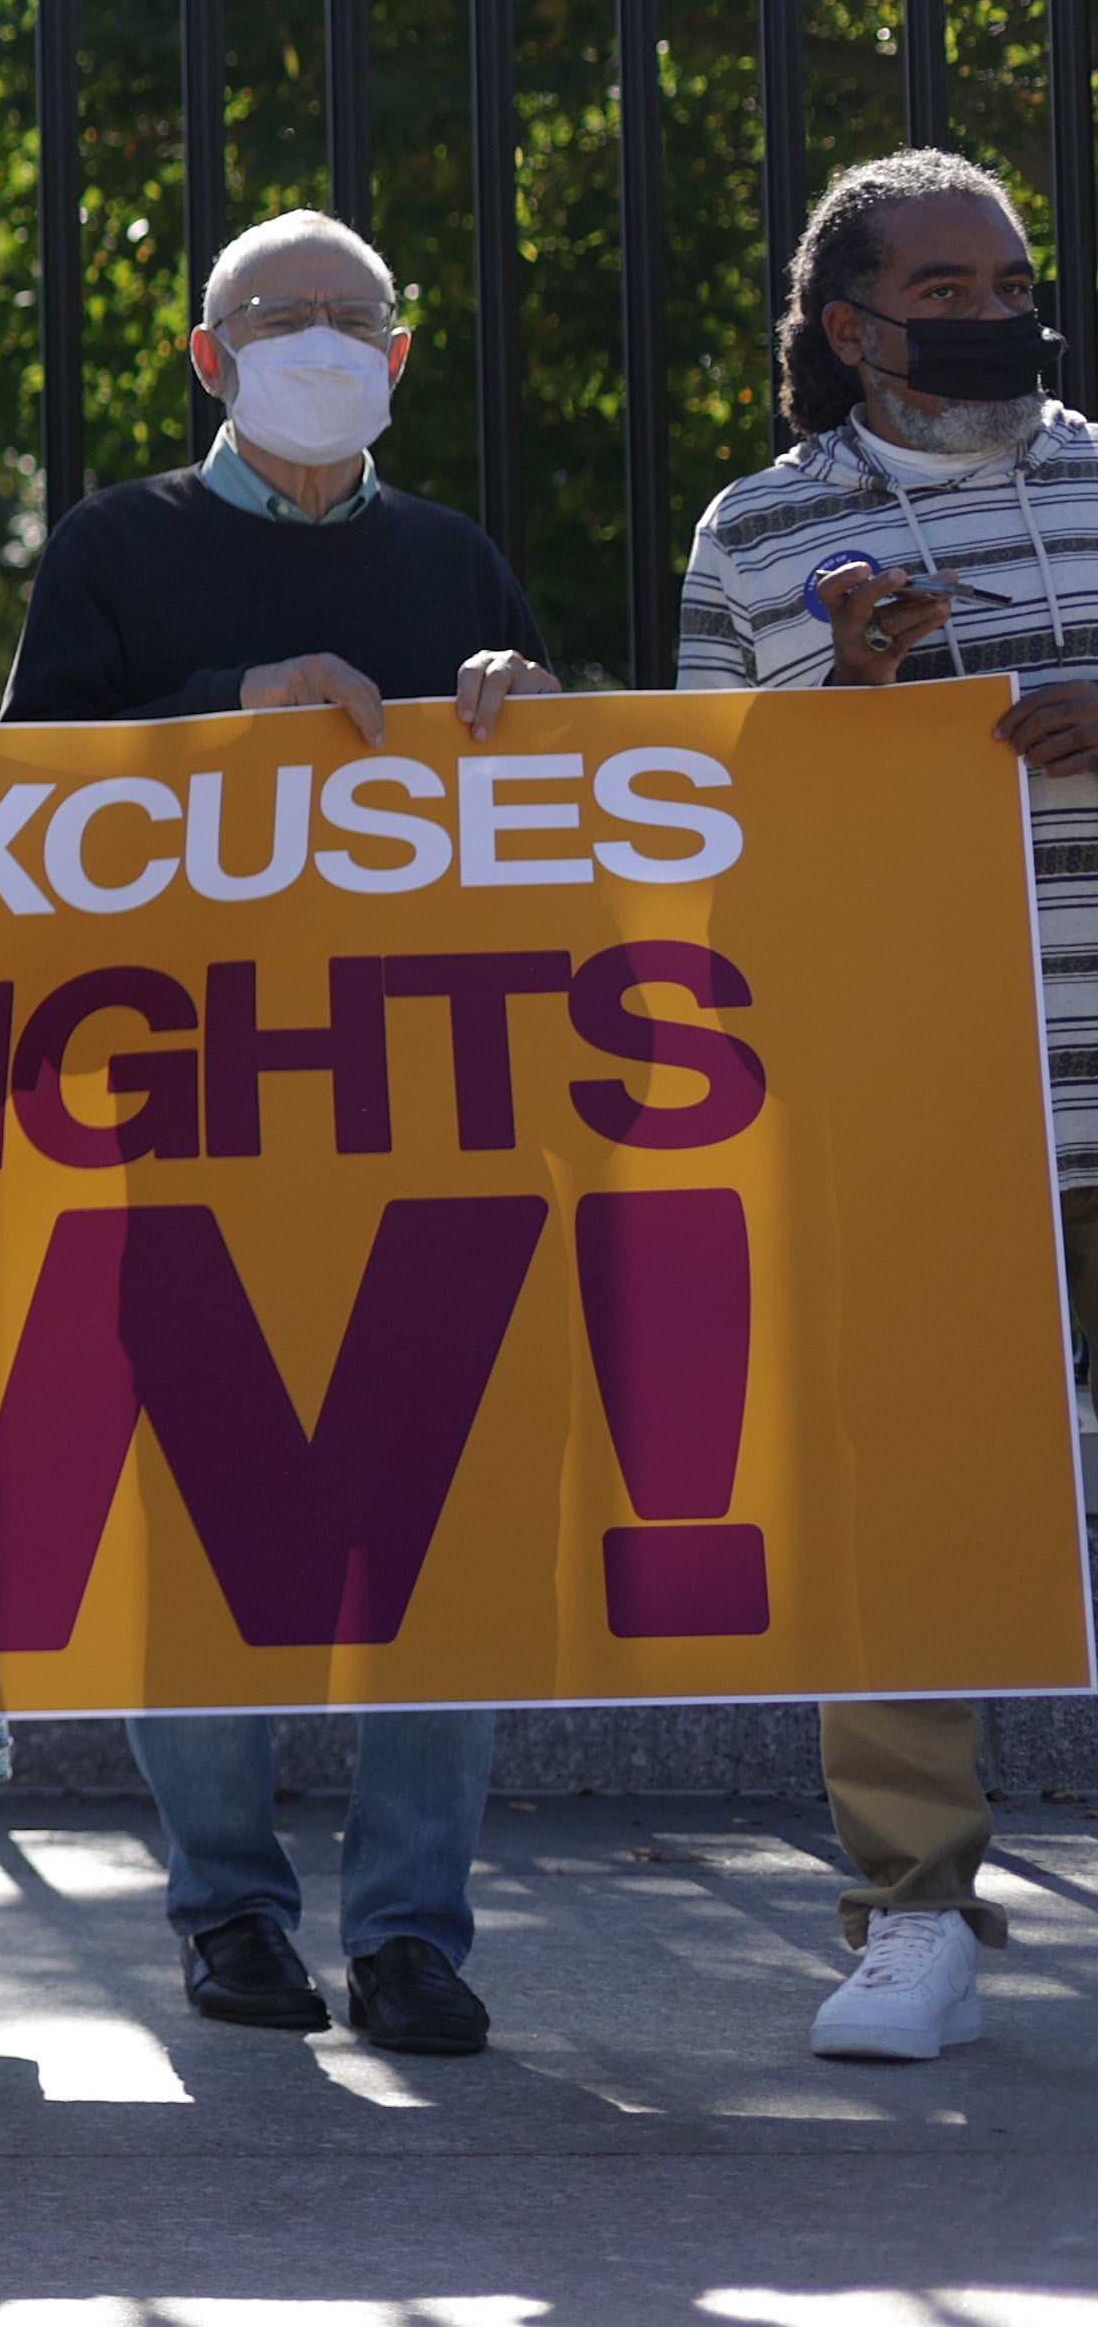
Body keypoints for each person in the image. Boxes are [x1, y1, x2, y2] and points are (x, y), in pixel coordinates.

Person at [6, 206, 554, 2059]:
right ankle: (228, 1909)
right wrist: (213, 721)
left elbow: (555, 846)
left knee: (439, 1535)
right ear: (205, 356)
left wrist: (532, 728)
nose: (316, 338)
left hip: (420, 1111)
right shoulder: (113, 548)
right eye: (276, 314)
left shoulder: (457, 557)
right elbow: (25, 821)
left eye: (350, 316)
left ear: (400, 359)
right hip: (181, 1110)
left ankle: (413, 1935)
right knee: (196, 1529)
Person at [672, 146, 1098, 2066]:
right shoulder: (756, 533)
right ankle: (912, 1909)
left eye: (1009, 275)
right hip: (921, 1093)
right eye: (945, 289)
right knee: (916, 1508)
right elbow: (712, 838)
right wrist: (854, 707)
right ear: (848, 328)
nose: (995, 307)